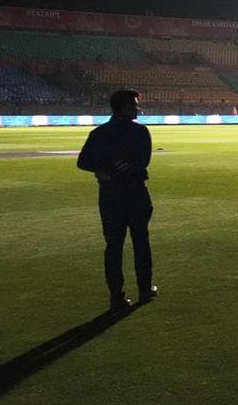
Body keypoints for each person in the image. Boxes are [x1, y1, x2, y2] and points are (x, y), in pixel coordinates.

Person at [77, 89, 156, 310]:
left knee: (113, 247)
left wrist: (105, 170)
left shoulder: (99, 133)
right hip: (135, 193)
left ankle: (116, 297)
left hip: (110, 195)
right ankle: (145, 289)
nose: (137, 108)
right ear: (125, 107)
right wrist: (125, 168)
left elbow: (82, 162)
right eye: (134, 104)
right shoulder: (140, 132)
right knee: (141, 241)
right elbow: (143, 162)